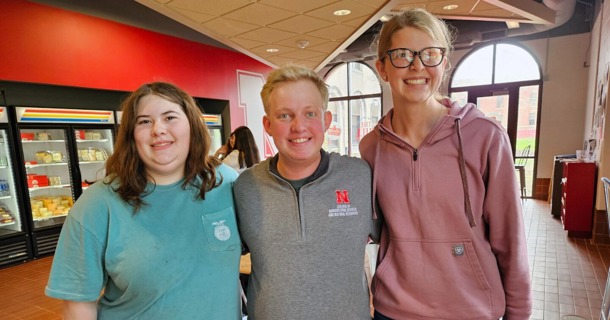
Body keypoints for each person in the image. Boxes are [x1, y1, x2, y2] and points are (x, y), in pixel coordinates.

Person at [359, 8, 532, 320]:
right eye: (402, 54)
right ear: (382, 68)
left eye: (430, 54)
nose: (417, 65)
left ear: (444, 62)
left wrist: (518, 314)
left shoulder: (485, 137)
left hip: (471, 310)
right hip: (393, 310)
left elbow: (511, 241)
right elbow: (369, 229)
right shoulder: (371, 148)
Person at [45, 82, 242, 319]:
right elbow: (77, 303)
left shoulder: (226, 183)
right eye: (144, 121)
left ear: (192, 125)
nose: (158, 129)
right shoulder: (97, 204)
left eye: (170, 117)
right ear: (131, 136)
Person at [233, 65, 376, 320]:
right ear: (267, 124)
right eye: (285, 116)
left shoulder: (360, 177)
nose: (299, 126)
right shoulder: (245, 187)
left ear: (326, 120)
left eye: (310, 113)